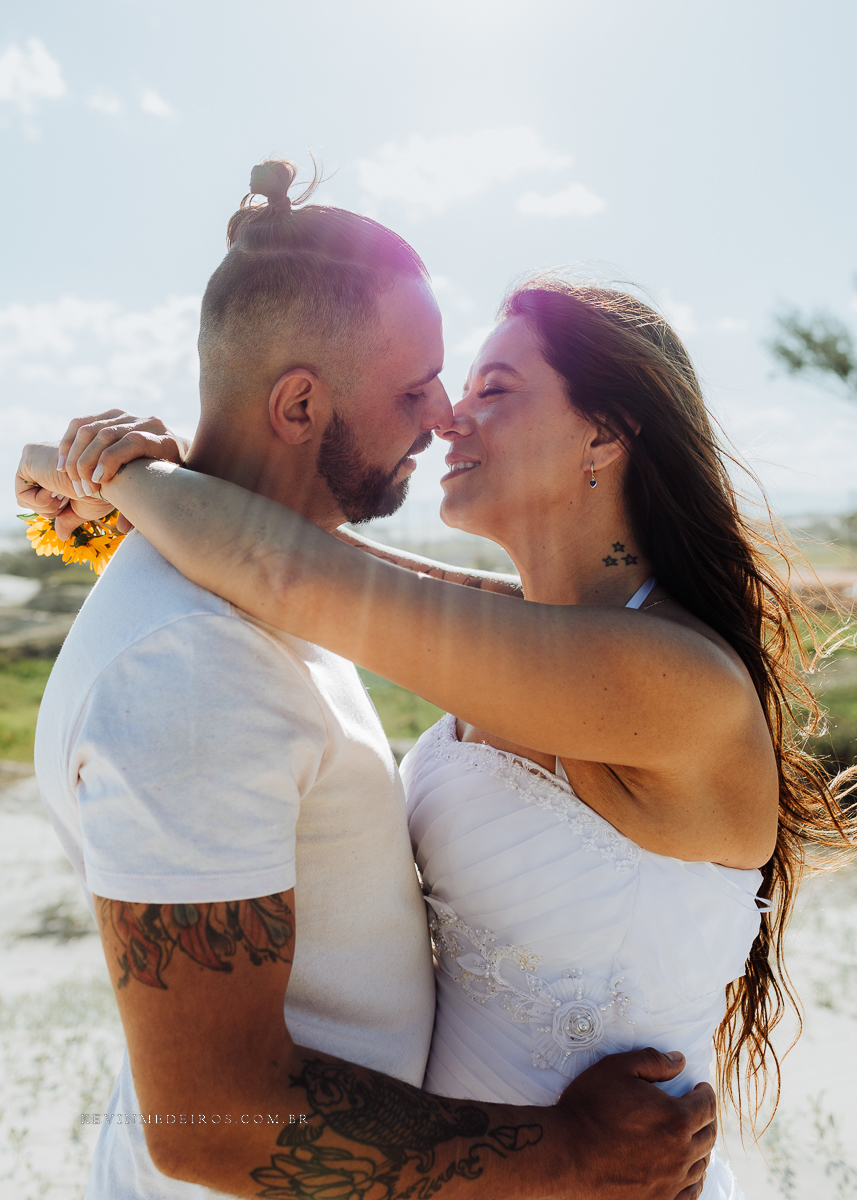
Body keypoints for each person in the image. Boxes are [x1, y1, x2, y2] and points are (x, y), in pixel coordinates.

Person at [23, 267, 857, 1200]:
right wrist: (131, 477)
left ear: (604, 431)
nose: (449, 419)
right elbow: (318, 559)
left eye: (492, 389)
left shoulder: (671, 683)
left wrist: (132, 474)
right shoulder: (522, 636)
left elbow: (292, 572)